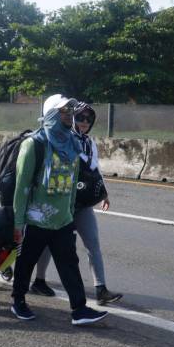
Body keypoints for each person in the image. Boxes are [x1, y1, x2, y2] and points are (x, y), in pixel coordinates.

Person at [10, 94, 107, 326]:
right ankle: (18, 301)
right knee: (26, 262)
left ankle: (79, 309)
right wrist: (17, 223)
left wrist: (70, 213)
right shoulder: (33, 144)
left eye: (70, 111)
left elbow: (73, 183)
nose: (70, 116)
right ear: (52, 114)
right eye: (64, 111)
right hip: (36, 218)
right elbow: (22, 187)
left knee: (69, 263)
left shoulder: (73, 143)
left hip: (63, 218)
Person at [26, 101, 123, 306]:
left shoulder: (89, 143)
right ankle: (38, 281)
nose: (84, 122)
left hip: (82, 202)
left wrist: (103, 192)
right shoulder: (64, 139)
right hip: (61, 201)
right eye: (80, 117)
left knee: (93, 244)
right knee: (48, 244)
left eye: (89, 118)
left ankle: (101, 289)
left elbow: (94, 168)